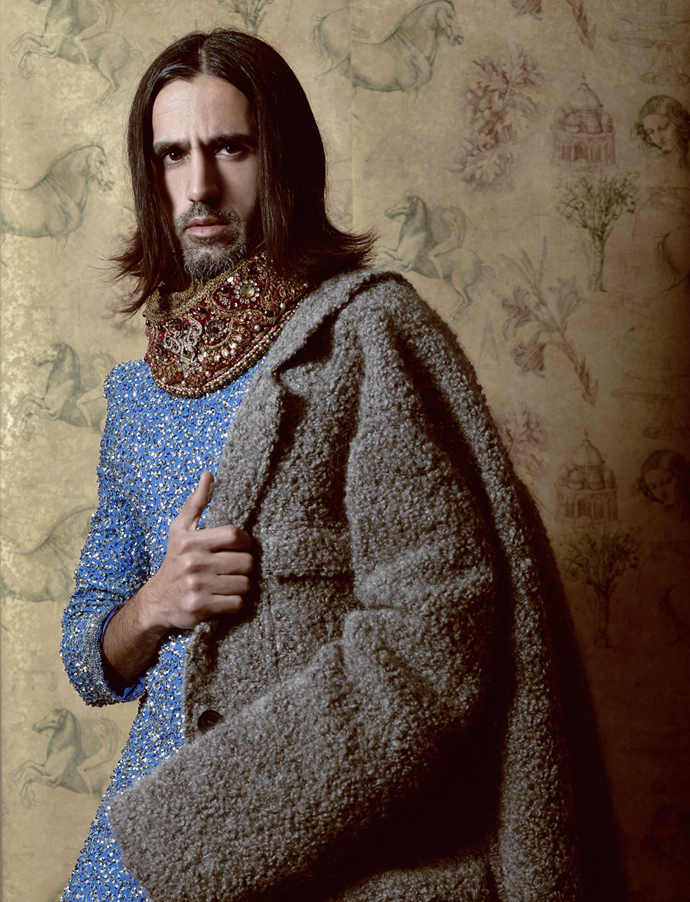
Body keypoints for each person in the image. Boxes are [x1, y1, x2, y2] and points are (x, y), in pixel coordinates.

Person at [60, 29, 623, 902]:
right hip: (137, 859)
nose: (199, 185)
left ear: (282, 159)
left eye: (230, 148)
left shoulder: (363, 339)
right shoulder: (136, 398)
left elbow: (434, 632)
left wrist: (206, 821)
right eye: (173, 155)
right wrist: (156, 603)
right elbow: (86, 652)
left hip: (304, 852)